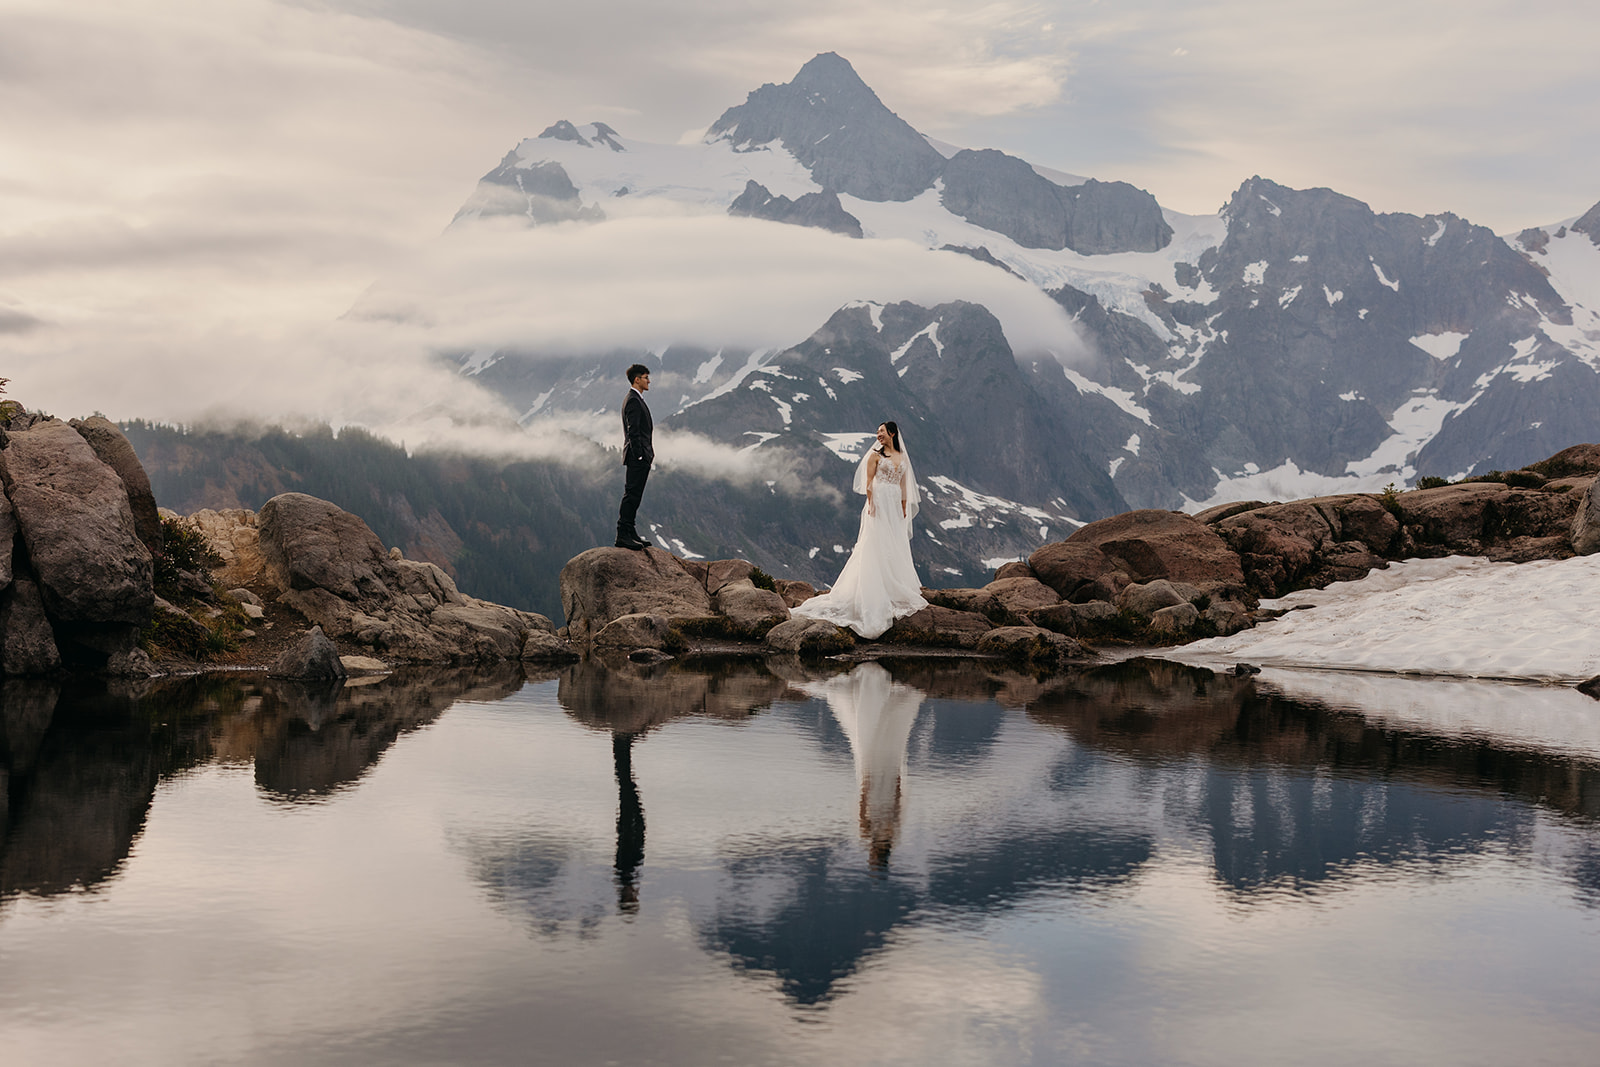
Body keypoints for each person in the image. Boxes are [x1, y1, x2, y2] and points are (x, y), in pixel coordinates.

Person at [791, 421, 928, 638]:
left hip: (893, 502)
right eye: (878, 432)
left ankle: (894, 581)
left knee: (893, 540)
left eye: (882, 431)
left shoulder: (902, 458)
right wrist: (872, 503)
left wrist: (903, 504)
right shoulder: (875, 455)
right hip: (879, 501)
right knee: (875, 541)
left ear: (892, 433)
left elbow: (903, 484)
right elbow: (869, 483)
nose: (878, 434)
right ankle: (873, 587)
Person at [615, 363, 653, 549]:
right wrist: (640, 456)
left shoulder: (636, 399)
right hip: (636, 457)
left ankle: (630, 531)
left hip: (640, 456)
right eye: (646, 377)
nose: (649, 381)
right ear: (637, 379)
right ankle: (623, 534)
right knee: (631, 494)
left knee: (635, 495)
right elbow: (633, 431)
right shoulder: (632, 400)